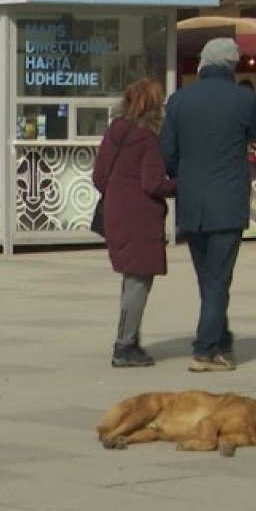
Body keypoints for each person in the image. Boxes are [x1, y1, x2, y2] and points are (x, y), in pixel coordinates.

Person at [160, 38, 256, 372]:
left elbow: (167, 156)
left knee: (208, 277)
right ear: (232, 65)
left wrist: (186, 174)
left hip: (192, 203)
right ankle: (204, 349)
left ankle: (220, 340)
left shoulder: (178, 101)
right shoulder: (245, 99)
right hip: (229, 201)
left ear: (204, 63)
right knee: (218, 279)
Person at [92, 78, 176, 368]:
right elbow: (153, 183)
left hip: (116, 214)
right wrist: (180, 184)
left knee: (131, 280)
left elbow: (98, 178)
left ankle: (127, 339)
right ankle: (125, 345)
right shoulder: (147, 137)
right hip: (140, 219)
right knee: (138, 281)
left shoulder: (114, 131)